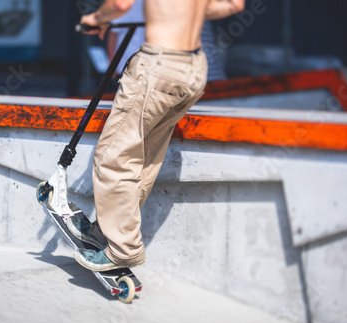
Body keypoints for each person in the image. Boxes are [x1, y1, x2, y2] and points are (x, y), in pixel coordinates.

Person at [71, 0, 245, 271]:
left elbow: (119, 4)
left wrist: (96, 18)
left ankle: (123, 249)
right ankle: (111, 230)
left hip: (160, 65)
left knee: (112, 158)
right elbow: (234, 4)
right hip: (194, 67)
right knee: (145, 157)